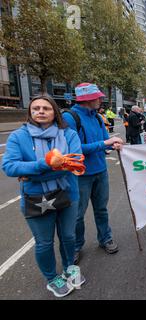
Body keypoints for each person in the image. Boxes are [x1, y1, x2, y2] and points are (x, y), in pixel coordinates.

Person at [2, 95, 86, 297]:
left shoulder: (69, 134)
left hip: (68, 194)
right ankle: (51, 278)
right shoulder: (18, 137)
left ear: (54, 112)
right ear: (30, 112)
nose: (40, 111)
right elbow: (9, 166)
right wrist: (45, 165)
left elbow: (73, 166)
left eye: (46, 108)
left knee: (68, 237)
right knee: (44, 243)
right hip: (36, 200)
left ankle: (68, 268)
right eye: (36, 108)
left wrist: (29, 175)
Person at [62, 83, 123, 264]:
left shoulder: (97, 117)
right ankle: (75, 246)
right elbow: (74, 149)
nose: (101, 99)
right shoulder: (70, 117)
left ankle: (105, 238)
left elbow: (106, 140)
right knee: (78, 214)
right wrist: (105, 144)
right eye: (98, 97)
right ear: (87, 99)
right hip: (79, 175)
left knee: (101, 209)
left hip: (100, 171)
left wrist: (113, 144)